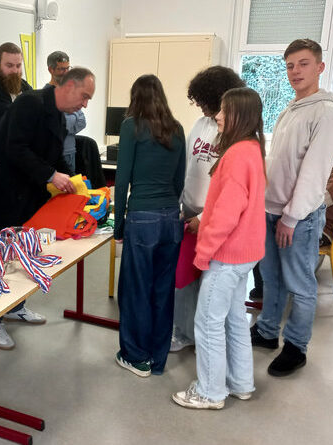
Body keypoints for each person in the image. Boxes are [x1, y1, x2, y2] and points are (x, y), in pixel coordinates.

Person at [0, 67, 95, 350]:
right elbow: (16, 148)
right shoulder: (30, 103)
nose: (85, 104)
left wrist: (72, 180)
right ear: (69, 86)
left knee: (22, 256)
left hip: (26, 199)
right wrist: (51, 175)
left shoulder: (58, 115)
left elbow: (54, 156)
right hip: (1, 196)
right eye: (85, 96)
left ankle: (15, 307)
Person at [251, 39, 333, 377]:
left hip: (298, 217)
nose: (295, 71)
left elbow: (314, 173)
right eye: (290, 65)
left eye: (303, 64)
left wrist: (290, 217)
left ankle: (296, 346)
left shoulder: (327, 113)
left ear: (320, 67)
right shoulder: (292, 108)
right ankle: (267, 331)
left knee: (300, 284)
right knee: (271, 278)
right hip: (271, 209)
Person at [172, 87, 266, 410]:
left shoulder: (237, 155)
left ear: (240, 115)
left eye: (225, 111)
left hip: (226, 255)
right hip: (245, 254)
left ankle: (210, 392)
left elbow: (225, 216)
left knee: (208, 322)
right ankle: (241, 383)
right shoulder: (252, 148)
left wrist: (204, 252)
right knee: (235, 319)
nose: (218, 116)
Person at [113, 74, 186, 378]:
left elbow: (121, 181)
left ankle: (135, 357)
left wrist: (118, 226)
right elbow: (179, 180)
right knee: (162, 291)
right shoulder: (177, 128)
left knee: (135, 290)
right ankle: (157, 359)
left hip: (142, 218)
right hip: (171, 218)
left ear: (135, 97)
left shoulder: (132, 126)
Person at [171, 66, 245, 354]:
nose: (200, 105)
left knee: (211, 285)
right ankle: (184, 332)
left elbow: (232, 188)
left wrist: (204, 218)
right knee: (184, 279)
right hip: (189, 211)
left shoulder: (235, 131)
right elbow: (189, 166)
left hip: (213, 218)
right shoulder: (201, 124)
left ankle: (208, 338)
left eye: (203, 100)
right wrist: (180, 204)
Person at [45, 50, 86, 174]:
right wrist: (71, 118)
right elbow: (54, 127)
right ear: (51, 70)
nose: (66, 73)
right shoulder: (46, 94)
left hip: (70, 151)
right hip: (53, 155)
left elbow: (82, 121)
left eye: (68, 68)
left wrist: (67, 122)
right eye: (61, 69)